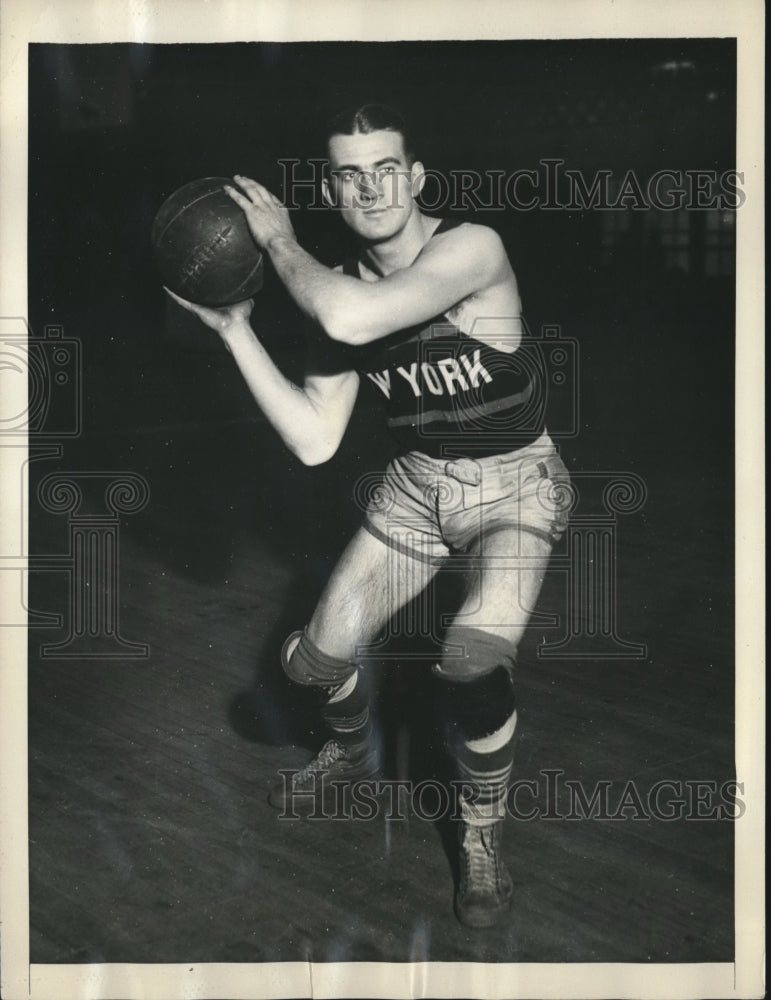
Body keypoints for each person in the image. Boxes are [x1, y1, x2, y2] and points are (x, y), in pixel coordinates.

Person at [167, 104, 570, 928]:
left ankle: (481, 829)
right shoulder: (336, 292)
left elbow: (349, 317)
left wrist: (277, 242)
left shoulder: (469, 247)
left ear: (416, 176)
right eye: (350, 174)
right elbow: (316, 440)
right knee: (312, 665)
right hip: (417, 489)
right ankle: (350, 744)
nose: (371, 185)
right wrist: (235, 331)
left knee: (468, 658)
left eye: (386, 166)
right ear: (332, 189)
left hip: (516, 485)